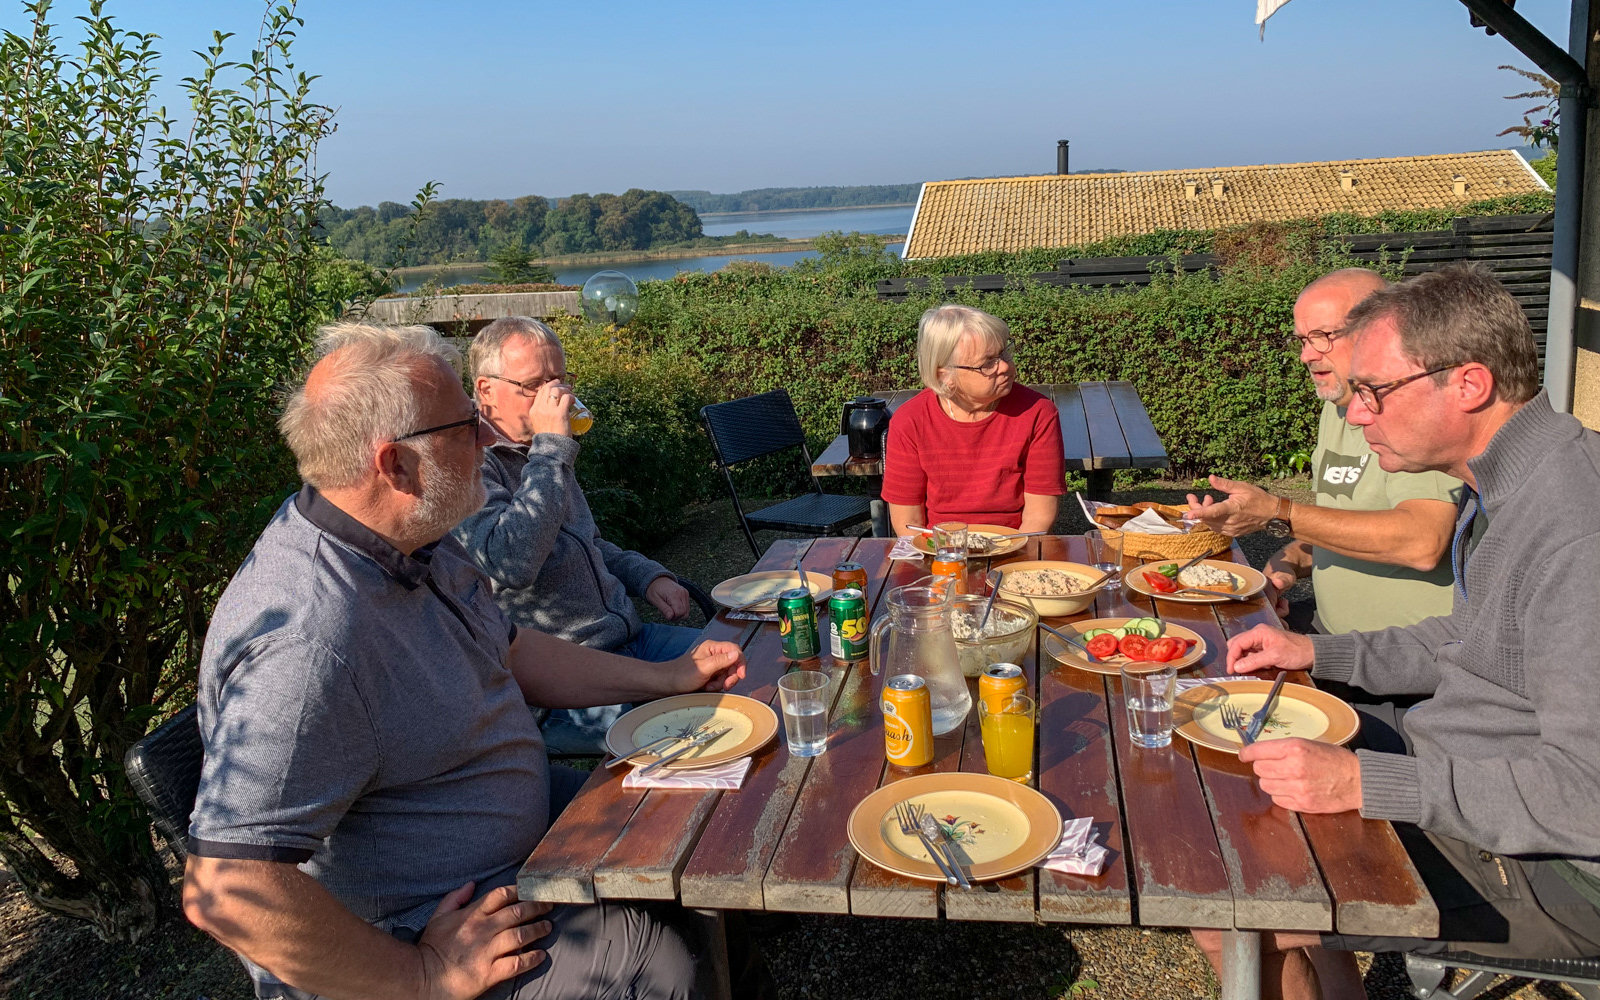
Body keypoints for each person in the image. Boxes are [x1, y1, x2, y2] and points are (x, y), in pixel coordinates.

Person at [182, 321, 755, 1000]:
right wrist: (423, 975)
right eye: (463, 426)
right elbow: (226, 892)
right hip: (422, 926)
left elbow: (510, 650)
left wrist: (664, 679)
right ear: (393, 464)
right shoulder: (309, 639)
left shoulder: (412, 538)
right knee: (653, 960)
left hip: (514, 822)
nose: (486, 439)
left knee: (693, 833)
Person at [1193, 265, 1600, 1000]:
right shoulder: (1514, 480)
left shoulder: (1573, 523)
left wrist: (1360, 779)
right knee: (1231, 778)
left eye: (1375, 392)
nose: (1356, 414)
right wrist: (1316, 650)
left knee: (1229, 886)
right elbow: (1468, 636)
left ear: (1468, 384)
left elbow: (1586, 796)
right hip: (1464, 758)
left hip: (1561, 869)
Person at [453, 316, 701, 753]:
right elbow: (511, 563)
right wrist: (552, 449)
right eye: (536, 384)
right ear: (486, 391)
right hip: (566, 685)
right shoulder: (471, 466)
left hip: (630, 639)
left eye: (561, 380)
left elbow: (590, 543)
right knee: (695, 727)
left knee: (744, 661)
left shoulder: (543, 452)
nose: (558, 396)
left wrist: (650, 577)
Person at [1185, 268, 1460, 635]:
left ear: (1379, 330)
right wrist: (1293, 559)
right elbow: (1349, 522)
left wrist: (1278, 512)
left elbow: (1423, 541)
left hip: (1401, 662)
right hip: (1330, 633)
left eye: (1321, 337)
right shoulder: (1336, 406)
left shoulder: (1414, 410)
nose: (1306, 356)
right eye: (1301, 340)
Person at [881, 304, 1065, 536]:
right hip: (940, 550)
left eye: (1004, 353)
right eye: (987, 363)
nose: (1006, 366)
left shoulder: (1038, 413)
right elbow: (909, 524)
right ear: (944, 374)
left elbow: (1039, 516)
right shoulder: (910, 421)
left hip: (1014, 545)